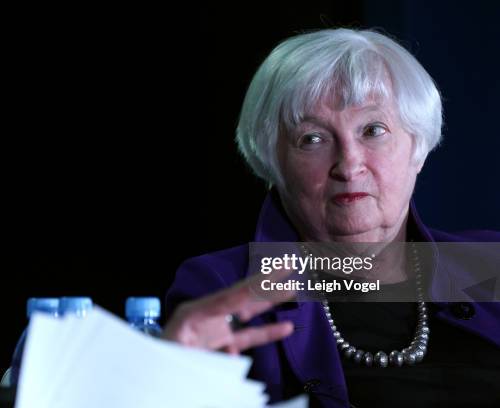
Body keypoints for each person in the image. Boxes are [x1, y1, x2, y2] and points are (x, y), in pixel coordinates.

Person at [164, 28, 500, 408]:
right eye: (313, 139)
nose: (350, 164)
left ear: (418, 147)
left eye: (373, 130)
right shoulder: (219, 285)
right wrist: (166, 380)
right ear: (272, 162)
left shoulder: (489, 263)